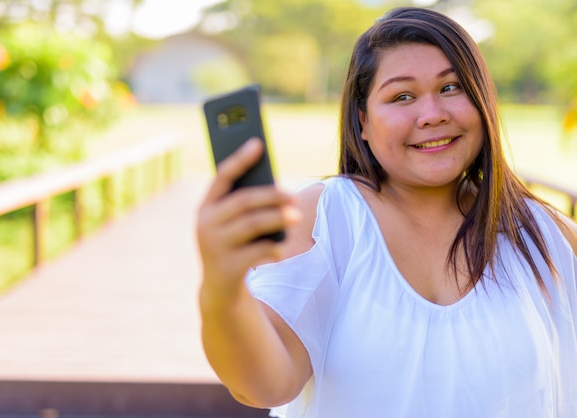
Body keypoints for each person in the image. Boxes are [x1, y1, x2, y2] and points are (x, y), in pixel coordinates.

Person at [196, 6, 577, 418]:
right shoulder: (327, 219)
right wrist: (222, 288)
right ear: (363, 121)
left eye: (451, 88)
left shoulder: (545, 234)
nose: (433, 115)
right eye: (402, 96)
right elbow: (263, 385)